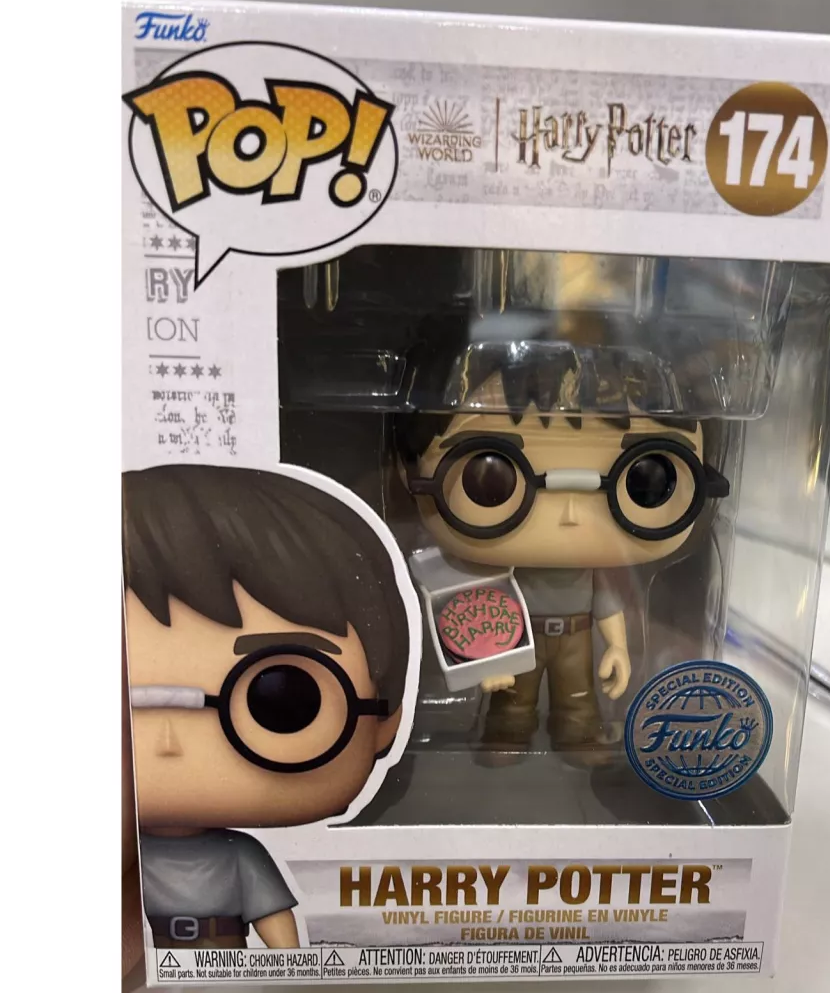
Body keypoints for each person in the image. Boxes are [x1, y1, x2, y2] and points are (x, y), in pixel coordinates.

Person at [395, 345, 728, 767]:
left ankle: (578, 733)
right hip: (518, 636)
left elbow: (607, 603)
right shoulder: (497, 567)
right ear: (409, 472)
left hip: (575, 635)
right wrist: (484, 662)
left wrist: (618, 647)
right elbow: (480, 607)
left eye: (644, 480)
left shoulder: (593, 569)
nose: (570, 513)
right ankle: (507, 732)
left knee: (577, 695)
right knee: (513, 697)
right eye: (491, 478)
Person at [122, 465, 411, 949]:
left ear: (385, 720)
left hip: (222, 954)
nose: (167, 741)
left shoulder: (240, 856)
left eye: (282, 697)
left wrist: (288, 968)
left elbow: (276, 925)